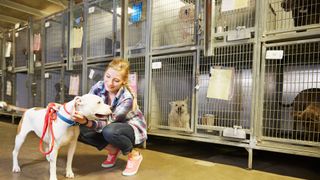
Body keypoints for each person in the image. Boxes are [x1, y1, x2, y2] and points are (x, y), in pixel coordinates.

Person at [72, 58, 147, 176]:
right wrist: (66, 109)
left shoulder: (126, 98)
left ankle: (134, 155)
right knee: (77, 128)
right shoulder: (98, 87)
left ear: (123, 81)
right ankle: (112, 150)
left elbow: (110, 122)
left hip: (129, 127)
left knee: (110, 131)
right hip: (106, 123)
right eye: (107, 76)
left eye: (116, 80)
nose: (110, 83)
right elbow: (86, 106)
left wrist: (87, 122)